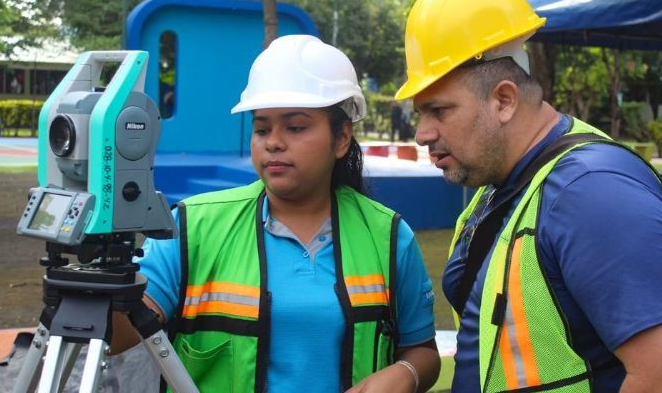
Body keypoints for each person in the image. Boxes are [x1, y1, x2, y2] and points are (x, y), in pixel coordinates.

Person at [393, 0, 662, 392]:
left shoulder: (591, 190)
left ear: (504, 100)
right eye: (420, 112)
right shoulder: (505, 182)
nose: (422, 133)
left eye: (439, 110)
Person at [112, 34, 440, 393]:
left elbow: (422, 351)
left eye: (295, 127)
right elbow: (122, 332)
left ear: (342, 137)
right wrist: (86, 301)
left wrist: (405, 373)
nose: (273, 142)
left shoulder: (388, 236)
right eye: (262, 128)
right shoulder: (193, 226)